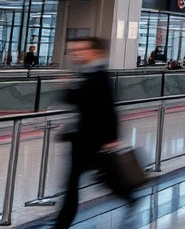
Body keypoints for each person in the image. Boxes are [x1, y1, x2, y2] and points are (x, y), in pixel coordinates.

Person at [55, 37, 130, 229]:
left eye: (81, 50)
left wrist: (113, 137)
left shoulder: (100, 75)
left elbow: (108, 109)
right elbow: (80, 102)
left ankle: (128, 196)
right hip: (84, 139)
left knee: (98, 178)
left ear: (94, 52)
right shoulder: (87, 73)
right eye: (74, 51)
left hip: (94, 140)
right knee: (76, 183)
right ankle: (62, 223)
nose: (77, 54)